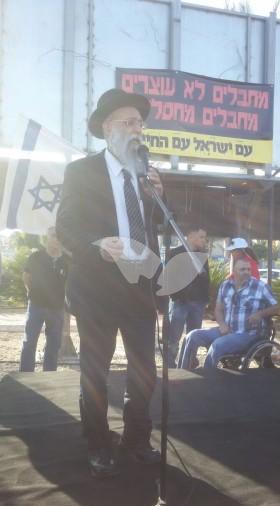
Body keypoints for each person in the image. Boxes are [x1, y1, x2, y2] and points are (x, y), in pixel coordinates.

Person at [56, 88, 164, 479]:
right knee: (96, 372)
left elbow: (151, 230)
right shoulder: (81, 171)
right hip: (97, 289)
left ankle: (136, 438)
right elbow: (65, 227)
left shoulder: (145, 175)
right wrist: (97, 244)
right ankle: (99, 443)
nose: (139, 129)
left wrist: (156, 198)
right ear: (108, 127)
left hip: (137, 287)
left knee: (144, 371)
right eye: (130, 122)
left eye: (141, 122)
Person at [180, 258, 280, 369]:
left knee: (218, 344)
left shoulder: (260, 287)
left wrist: (260, 314)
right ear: (234, 271)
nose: (246, 272)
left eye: (248, 269)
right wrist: (222, 324)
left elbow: (277, 308)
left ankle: (207, 379)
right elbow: (218, 309)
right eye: (242, 269)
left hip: (249, 334)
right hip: (227, 330)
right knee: (192, 336)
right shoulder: (225, 286)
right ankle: (183, 373)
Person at [20, 227, 68, 372]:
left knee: (54, 344)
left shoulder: (66, 261)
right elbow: (26, 276)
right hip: (36, 306)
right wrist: (31, 292)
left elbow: (69, 283)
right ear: (47, 237)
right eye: (54, 235)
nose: (56, 239)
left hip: (57, 308)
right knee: (29, 342)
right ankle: (26, 375)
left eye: (59, 236)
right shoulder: (36, 257)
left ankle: (49, 375)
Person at [166, 225, 210, 368]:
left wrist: (205, 299)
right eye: (201, 237)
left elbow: (206, 279)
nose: (205, 240)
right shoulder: (175, 253)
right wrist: (175, 296)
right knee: (174, 334)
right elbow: (168, 278)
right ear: (191, 236)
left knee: (194, 334)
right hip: (180, 302)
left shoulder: (202, 255)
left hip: (198, 302)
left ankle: (189, 360)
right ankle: (170, 361)